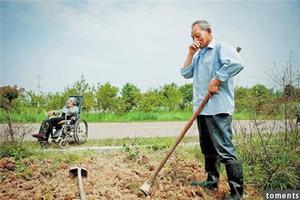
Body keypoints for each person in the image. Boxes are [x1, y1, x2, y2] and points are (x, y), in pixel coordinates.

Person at [180, 20, 244, 200]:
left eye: (198, 35)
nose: (196, 39)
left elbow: (237, 63)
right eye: (193, 37)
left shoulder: (220, 48)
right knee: (208, 148)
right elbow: (185, 73)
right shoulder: (199, 54)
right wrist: (190, 53)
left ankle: (237, 193)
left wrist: (217, 79)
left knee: (224, 148)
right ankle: (211, 181)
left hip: (218, 109)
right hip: (202, 109)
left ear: (209, 32)